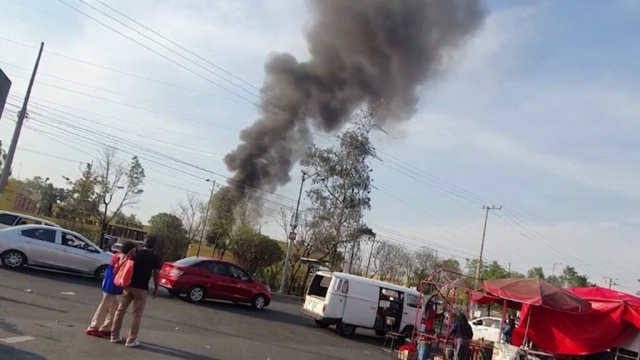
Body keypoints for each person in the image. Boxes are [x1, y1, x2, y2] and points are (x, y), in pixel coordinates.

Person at [110, 235, 162, 348]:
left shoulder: (134, 252)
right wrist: (156, 289)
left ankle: (114, 336)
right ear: (154, 245)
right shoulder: (155, 258)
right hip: (141, 288)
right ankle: (131, 340)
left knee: (120, 310)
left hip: (128, 285)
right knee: (136, 315)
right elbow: (157, 276)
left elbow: (124, 263)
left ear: (143, 243)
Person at [86, 240, 136, 337]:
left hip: (112, 284)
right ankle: (94, 326)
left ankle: (106, 327)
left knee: (114, 308)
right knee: (105, 306)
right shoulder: (122, 257)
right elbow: (116, 270)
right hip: (112, 285)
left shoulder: (117, 255)